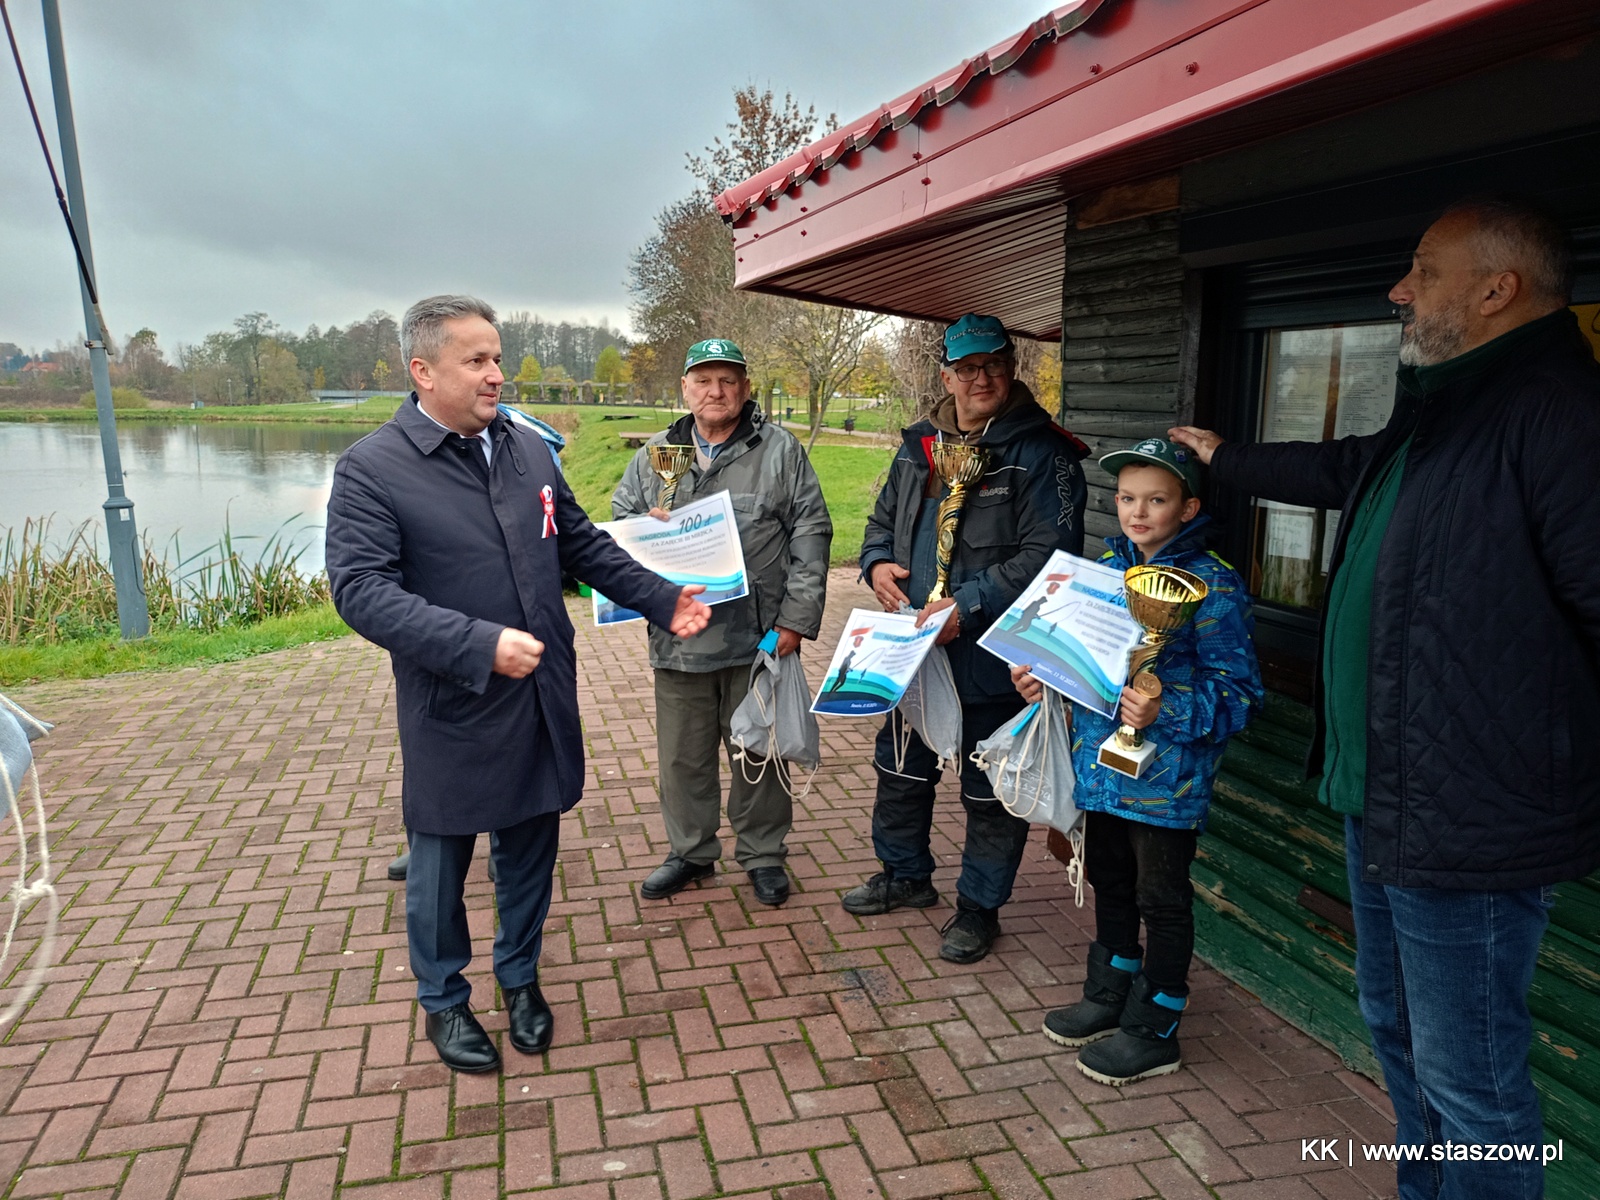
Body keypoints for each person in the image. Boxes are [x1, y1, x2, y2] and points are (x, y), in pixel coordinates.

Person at [1170, 198, 1600, 1199]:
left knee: (1474, 1083)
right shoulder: (1446, 409)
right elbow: (1343, 468)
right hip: (1389, 798)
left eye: (1422, 269)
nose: (1399, 291)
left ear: (1498, 289)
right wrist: (1222, 460)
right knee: (1397, 1037)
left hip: (1476, 818)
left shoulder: (1562, 415)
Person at [326, 295, 710, 1074]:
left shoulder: (530, 450)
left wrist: (663, 600)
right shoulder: (373, 468)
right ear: (423, 371)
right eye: (477, 361)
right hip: (453, 701)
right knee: (442, 859)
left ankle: (521, 980)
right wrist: (475, 643)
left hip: (539, 691)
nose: (497, 374)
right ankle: (445, 1001)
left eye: (497, 357)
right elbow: (361, 590)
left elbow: (579, 543)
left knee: (533, 842)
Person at [1014, 437, 1261, 1085]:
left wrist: (1165, 708)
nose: (1138, 511)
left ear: (1188, 507)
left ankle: (1156, 1027)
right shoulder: (1099, 571)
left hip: (1166, 780)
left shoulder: (1214, 584)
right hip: (1102, 768)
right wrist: (1045, 676)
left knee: (1162, 897)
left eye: (1157, 499)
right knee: (1109, 880)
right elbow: (1081, 657)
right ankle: (1108, 995)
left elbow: (1239, 695)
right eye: (1127, 498)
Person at [849, 313, 1089, 963]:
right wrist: (877, 564)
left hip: (992, 654)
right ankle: (905, 875)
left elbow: (1052, 554)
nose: (981, 378)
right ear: (946, 375)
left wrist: (971, 604)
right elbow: (882, 521)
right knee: (899, 767)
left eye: (993, 365)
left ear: (1010, 367)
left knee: (990, 791)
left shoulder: (1044, 453)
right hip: (911, 648)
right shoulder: (919, 445)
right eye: (967, 368)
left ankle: (979, 909)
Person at [613, 339, 832, 907]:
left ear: (746, 388)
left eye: (728, 380)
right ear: (685, 389)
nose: (716, 391)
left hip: (757, 638)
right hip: (679, 637)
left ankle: (762, 853)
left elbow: (812, 533)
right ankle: (690, 853)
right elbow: (619, 524)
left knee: (760, 751)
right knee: (682, 756)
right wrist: (646, 527)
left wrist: (797, 620)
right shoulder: (654, 455)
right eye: (704, 380)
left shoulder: (780, 450)